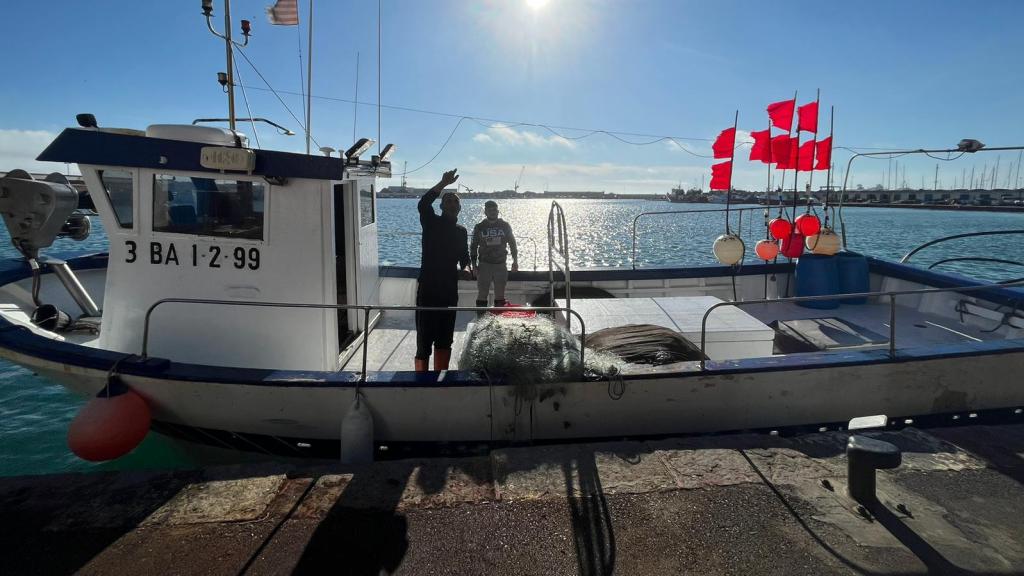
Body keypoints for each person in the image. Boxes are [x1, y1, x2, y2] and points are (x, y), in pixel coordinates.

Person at [415, 169, 471, 371]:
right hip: (428, 288)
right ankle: (420, 381)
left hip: (449, 289)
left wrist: (466, 268)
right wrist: (442, 184)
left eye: (455, 201)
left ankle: (441, 379)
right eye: (448, 200)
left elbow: (465, 256)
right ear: (441, 206)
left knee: (445, 338)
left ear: (459, 208)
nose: (452, 203)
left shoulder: (461, 231)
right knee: (424, 340)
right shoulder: (431, 222)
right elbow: (423, 204)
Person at [470, 200, 518, 312]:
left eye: (495, 210)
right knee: (482, 293)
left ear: (498, 211)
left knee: (500, 295)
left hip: (500, 265)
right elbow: (473, 246)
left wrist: (515, 261)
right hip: (484, 265)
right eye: (490, 210)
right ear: (485, 212)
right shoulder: (479, 227)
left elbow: (512, 244)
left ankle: (498, 320)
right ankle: (480, 319)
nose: (493, 212)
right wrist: (473, 265)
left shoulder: (505, 226)